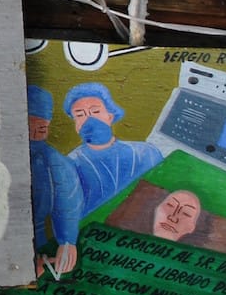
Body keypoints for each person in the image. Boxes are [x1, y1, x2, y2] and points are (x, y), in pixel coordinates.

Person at [64, 81, 164, 216]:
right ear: (76, 125)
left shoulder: (146, 154)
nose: (89, 119)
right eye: (80, 115)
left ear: (110, 116)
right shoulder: (70, 165)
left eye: (95, 111)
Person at [27, 85, 83, 277]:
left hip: (38, 238)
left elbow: (68, 200)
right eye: (32, 123)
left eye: (43, 125)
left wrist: (67, 241)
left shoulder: (54, 161)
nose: (38, 130)